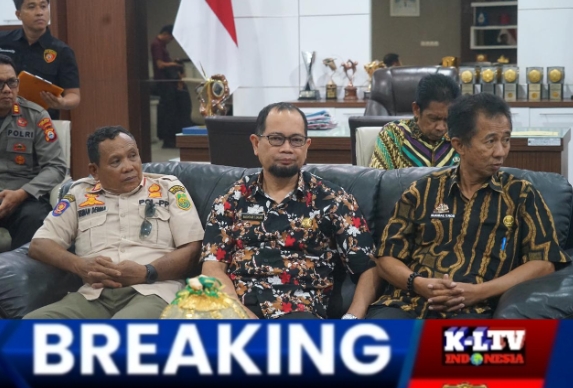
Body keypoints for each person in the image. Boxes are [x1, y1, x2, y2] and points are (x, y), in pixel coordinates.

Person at [367, 93, 570, 320]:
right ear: (459, 145)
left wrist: (479, 292)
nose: (500, 152)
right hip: (405, 304)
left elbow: (543, 262)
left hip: (474, 310)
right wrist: (419, 284)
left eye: (506, 140)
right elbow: (386, 258)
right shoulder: (422, 191)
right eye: (490, 141)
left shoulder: (521, 195)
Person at [201, 102, 378, 320]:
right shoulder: (232, 199)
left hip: (299, 311)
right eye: (276, 139)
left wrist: (352, 318)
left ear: (307, 146)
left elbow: (369, 267)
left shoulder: (332, 200)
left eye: (296, 140)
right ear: (256, 144)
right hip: (237, 310)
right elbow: (213, 268)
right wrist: (239, 314)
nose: (287, 148)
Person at [24, 125, 204, 319]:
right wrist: (79, 266)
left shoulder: (168, 188)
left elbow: (193, 248)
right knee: (30, 325)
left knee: (122, 329)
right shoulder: (79, 194)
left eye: (133, 156)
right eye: (116, 161)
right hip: (93, 296)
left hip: (153, 291)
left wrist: (146, 272)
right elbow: (40, 245)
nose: (129, 167)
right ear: (94, 170)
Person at [0, 54, 66, 249]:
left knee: (35, 219)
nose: (7, 89)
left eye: (12, 82)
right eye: (0, 84)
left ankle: (21, 268)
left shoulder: (36, 116)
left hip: (23, 196)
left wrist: (22, 194)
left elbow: (56, 166)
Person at [0, 0, 80, 119]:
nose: (39, 12)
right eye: (31, 7)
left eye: (43, 6)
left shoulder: (62, 51)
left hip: (41, 120)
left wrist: (62, 102)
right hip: (4, 117)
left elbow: (73, 95)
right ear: (18, 14)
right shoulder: (3, 41)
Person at [369, 73, 461, 170]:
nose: (441, 127)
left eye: (447, 119)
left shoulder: (460, 137)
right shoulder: (393, 135)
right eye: (433, 119)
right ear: (416, 109)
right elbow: (378, 177)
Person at [150, 24, 192, 149]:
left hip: (168, 83)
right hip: (164, 83)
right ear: (166, 34)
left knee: (173, 111)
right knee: (169, 112)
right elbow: (160, 65)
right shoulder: (156, 45)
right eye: (170, 38)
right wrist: (174, 64)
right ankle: (168, 140)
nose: (170, 41)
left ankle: (172, 138)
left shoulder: (161, 45)